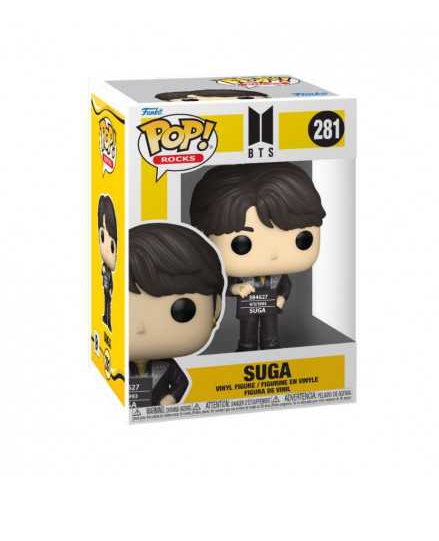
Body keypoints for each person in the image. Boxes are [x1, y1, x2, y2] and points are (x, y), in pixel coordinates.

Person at [190, 162, 325, 351]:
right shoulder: (240, 275)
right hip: (248, 309)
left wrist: (282, 298)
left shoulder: (278, 276)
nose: (273, 255)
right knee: (248, 330)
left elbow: (286, 285)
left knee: (271, 330)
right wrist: (236, 288)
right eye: (241, 244)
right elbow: (224, 287)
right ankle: (247, 346)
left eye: (302, 239)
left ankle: (271, 345)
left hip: (270, 307)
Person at [129, 223, 224, 406]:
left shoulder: (167, 366)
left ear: (216, 308)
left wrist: (171, 397)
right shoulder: (120, 369)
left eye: (182, 310)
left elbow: (182, 382)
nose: (140, 328)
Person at [98, 195, 117, 332]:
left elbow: (110, 281)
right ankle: (107, 318)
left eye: (112, 246)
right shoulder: (105, 267)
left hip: (108, 290)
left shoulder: (108, 269)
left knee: (108, 303)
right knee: (107, 303)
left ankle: (108, 320)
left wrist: (110, 289)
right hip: (106, 290)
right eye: (102, 237)